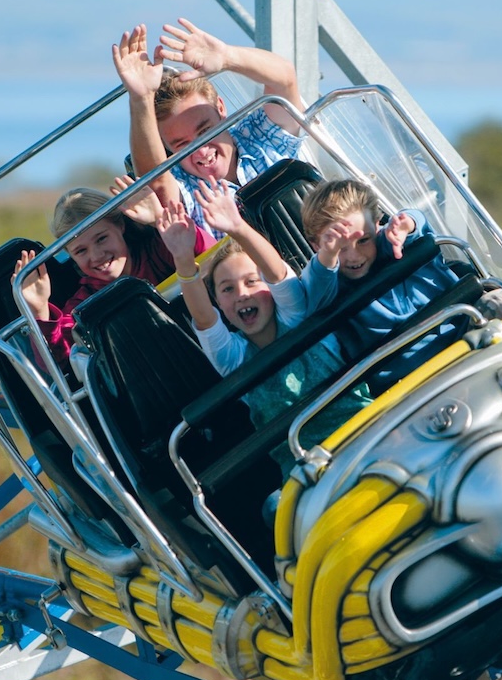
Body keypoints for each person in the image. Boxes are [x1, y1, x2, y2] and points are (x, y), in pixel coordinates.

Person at [157, 177, 369, 471]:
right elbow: (204, 319)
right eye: (227, 289)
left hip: (364, 430)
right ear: (218, 303)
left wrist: (238, 228)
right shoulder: (233, 359)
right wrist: (182, 258)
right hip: (307, 464)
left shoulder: (297, 315)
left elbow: (278, 273)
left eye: (252, 281)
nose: (242, 293)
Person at [298, 178, 502, 391]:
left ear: (377, 226)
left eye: (363, 240)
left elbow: (416, 222)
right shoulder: (329, 284)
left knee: (499, 300)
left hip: (465, 335)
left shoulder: (392, 245)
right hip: (410, 377)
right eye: (340, 247)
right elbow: (317, 281)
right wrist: (328, 256)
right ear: (317, 246)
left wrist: (406, 225)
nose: (354, 255)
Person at [113, 19, 306, 239]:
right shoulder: (183, 185)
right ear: (165, 145)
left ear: (221, 109)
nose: (202, 152)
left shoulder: (257, 134)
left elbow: (285, 80)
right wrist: (141, 98)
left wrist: (227, 57)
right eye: (183, 145)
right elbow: (156, 181)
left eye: (205, 132)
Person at [14, 177, 212, 366]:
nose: (97, 255)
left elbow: (211, 260)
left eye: (101, 239)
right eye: (81, 251)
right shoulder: (83, 304)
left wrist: (159, 219)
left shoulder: (159, 250)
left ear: (120, 225)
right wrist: (39, 309)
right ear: (70, 255)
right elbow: (59, 361)